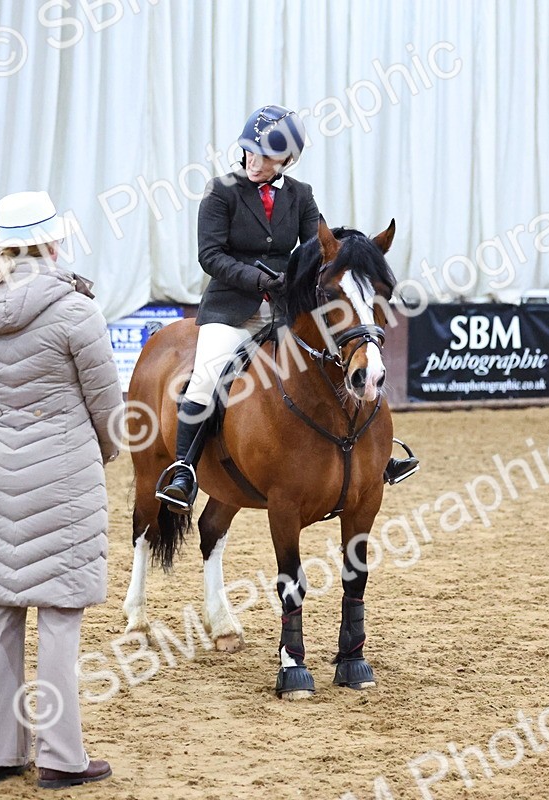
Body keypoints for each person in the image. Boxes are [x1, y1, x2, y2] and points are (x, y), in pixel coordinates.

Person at [155, 104, 418, 512]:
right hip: (231, 310)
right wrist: (258, 279)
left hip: (283, 310)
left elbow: (319, 243)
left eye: (267, 157)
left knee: (340, 362)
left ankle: (376, 456)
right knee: (207, 377)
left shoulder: (300, 194)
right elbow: (210, 256)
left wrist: (354, 249)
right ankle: (184, 470)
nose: (255, 162)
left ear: (287, 160)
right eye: (250, 152)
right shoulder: (220, 191)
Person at [0, 190, 123, 790]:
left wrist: (8, 431)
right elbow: (109, 410)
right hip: (65, 474)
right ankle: (60, 757)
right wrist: (98, 453)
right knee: (59, 614)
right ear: (53, 241)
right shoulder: (77, 312)